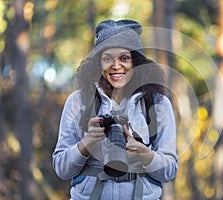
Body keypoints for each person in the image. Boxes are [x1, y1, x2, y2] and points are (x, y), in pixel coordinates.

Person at [52, 19, 178, 200]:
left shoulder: (157, 104)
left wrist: (144, 153)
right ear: (98, 63)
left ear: (137, 61)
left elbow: (169, 172)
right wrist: (87, 142)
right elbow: (62, 169)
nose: (116, 66)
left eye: (124, 58)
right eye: (107, 58)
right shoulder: (78, 102)